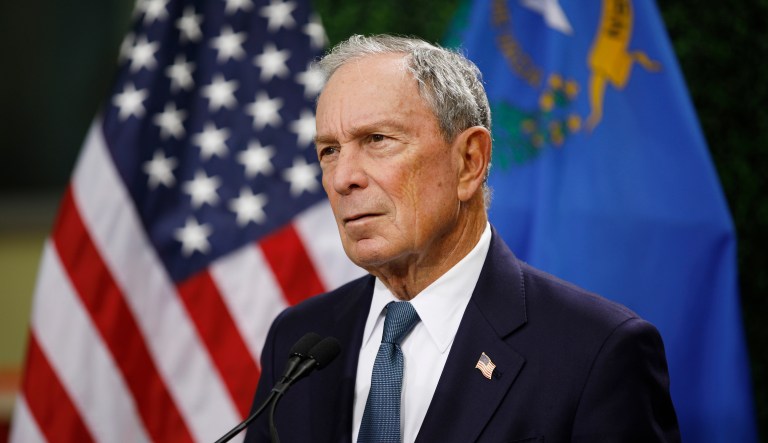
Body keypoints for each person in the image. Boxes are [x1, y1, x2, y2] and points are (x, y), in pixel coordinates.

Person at [244, 34, 680, 442]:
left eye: (377, 139)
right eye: (329, 150)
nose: (342, 178)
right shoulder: (298, 340)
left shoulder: (596, 351)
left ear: (470, 161)